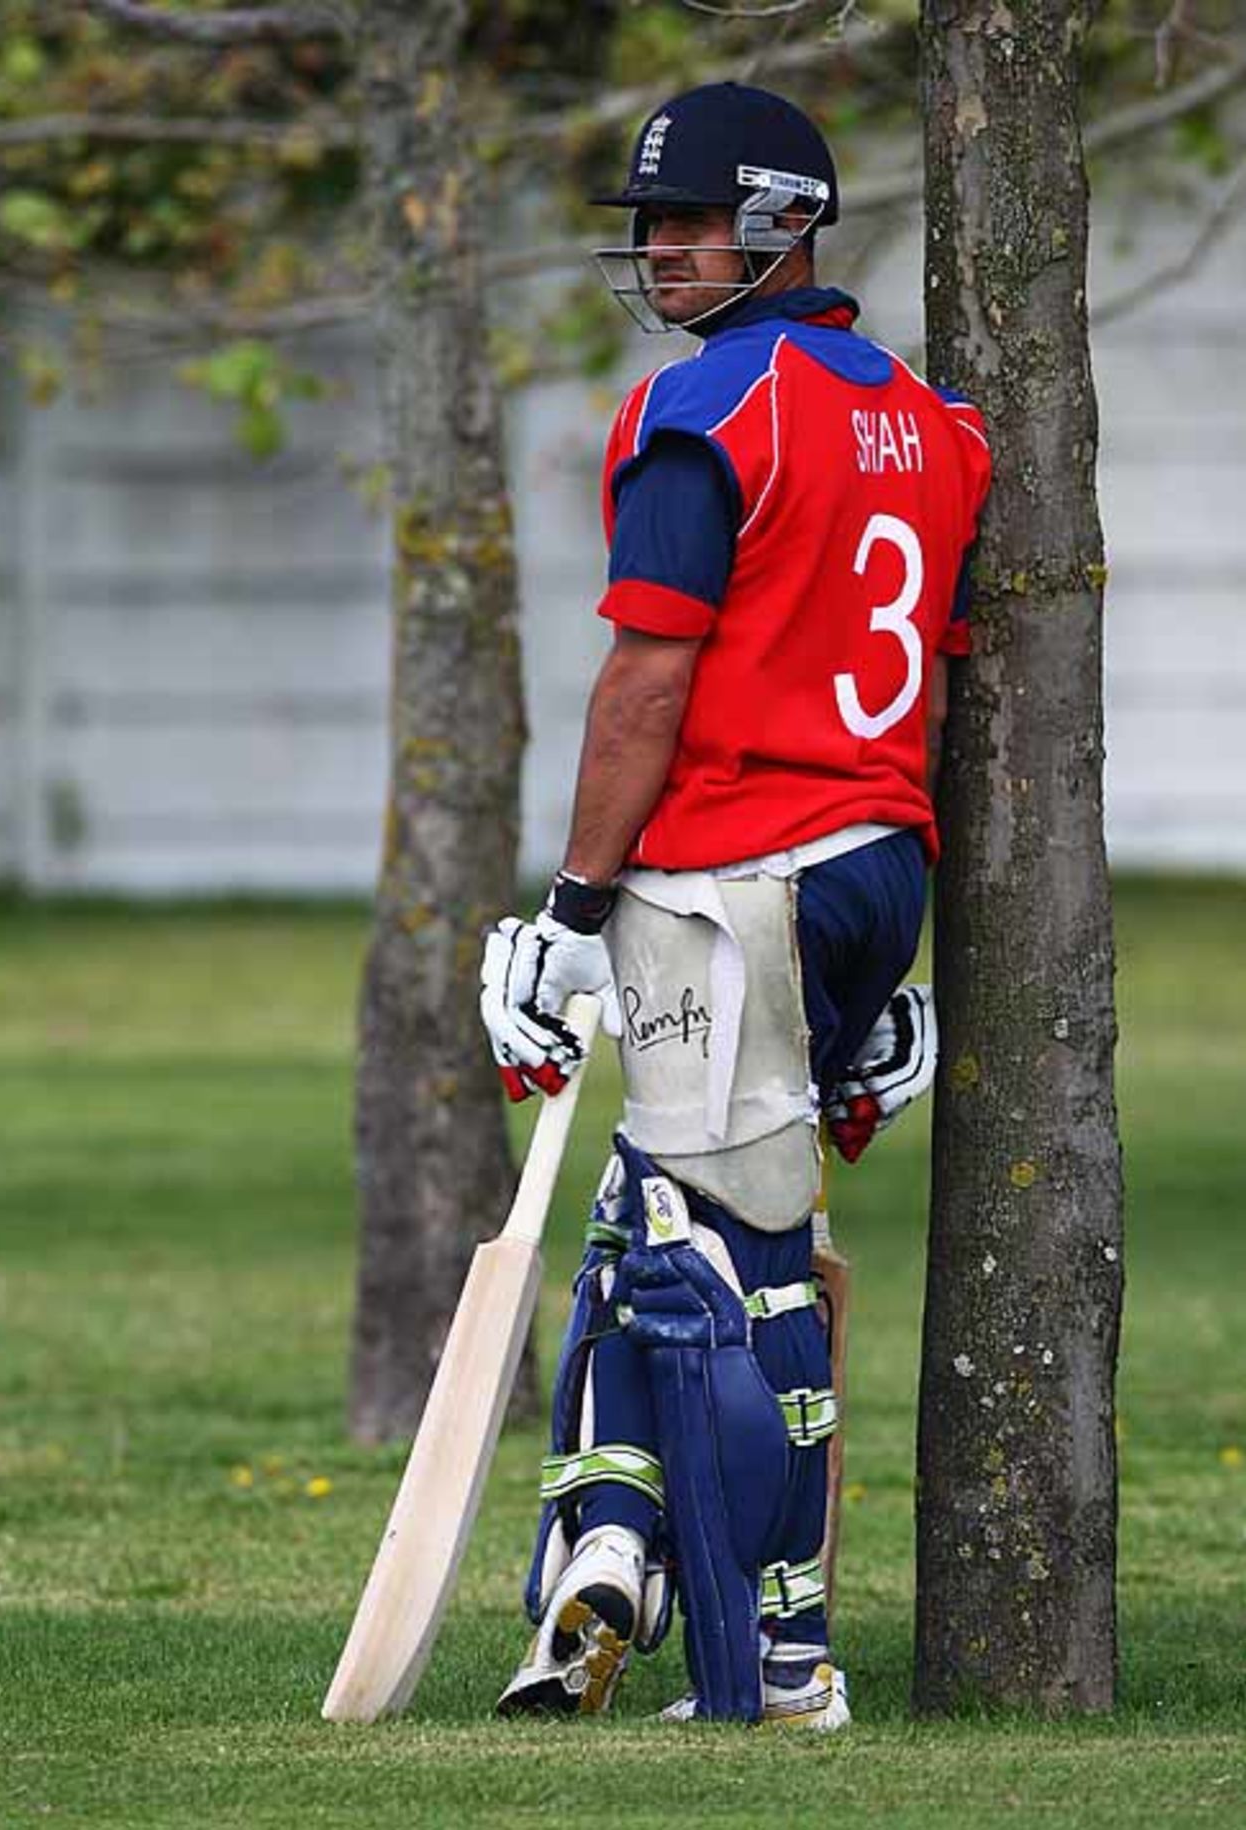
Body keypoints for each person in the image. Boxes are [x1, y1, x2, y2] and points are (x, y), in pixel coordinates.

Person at [479, 80, 990, 1728]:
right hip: (867, 872)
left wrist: (569, 909)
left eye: (689, 223)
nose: (662, 252)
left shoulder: (710, 410)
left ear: (780, 219)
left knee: (711, 1271)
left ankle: (775, 1660)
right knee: (661, 1231)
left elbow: (647, 674)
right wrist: (887, 965)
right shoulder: (940, 424)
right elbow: (928, 696)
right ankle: (609, 1554)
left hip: (730, 880)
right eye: (652, 225)